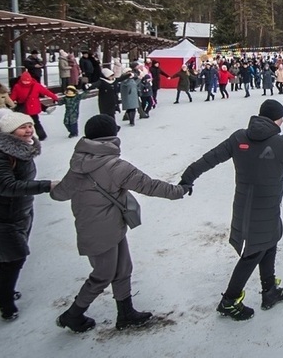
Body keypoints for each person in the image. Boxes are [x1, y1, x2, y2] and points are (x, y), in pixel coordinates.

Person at [179, 100, 283, 320]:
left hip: (246, 205)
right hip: (264, 207)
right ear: (276, 119)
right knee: (253, 252)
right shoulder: (282, 143)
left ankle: (269, 291)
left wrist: (188, 176)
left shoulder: (239, 138)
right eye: (282, 117)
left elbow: (210, 158)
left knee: (270, 241)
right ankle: (229, 300)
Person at [52, 115, 187, 332]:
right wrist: (178, 191)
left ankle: (125, 313)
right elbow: (149, 186)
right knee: (102, 275)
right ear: (111, 136)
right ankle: (73, 314)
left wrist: (49, 187)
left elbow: (60, 194)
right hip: (100, 231)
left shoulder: (78, 163)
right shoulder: (115, 166)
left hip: (104, 226)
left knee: (123, 268)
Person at [0, 112, 56, 321]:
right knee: (15, 257)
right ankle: (5, 303)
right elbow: (5, 185)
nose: (29, 130)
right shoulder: (2, 154)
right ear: (9, 132)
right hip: (4, 216)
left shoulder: (24, 149)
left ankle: (3, 288)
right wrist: (46, 186)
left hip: (21, 210)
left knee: (7, 257)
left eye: (30, 125)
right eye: (22, 127)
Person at [9, 71, 59, 141]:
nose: (26, 83)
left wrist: (55, 98)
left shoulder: (36, 85)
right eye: (24, 81)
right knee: (25, 124)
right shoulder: (17, 86)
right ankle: (27, 137)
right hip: (24, 108)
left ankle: (41, 136)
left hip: (33, 108)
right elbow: (13, 97)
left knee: (35, 122)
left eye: (27, 81)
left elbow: (46, 92)